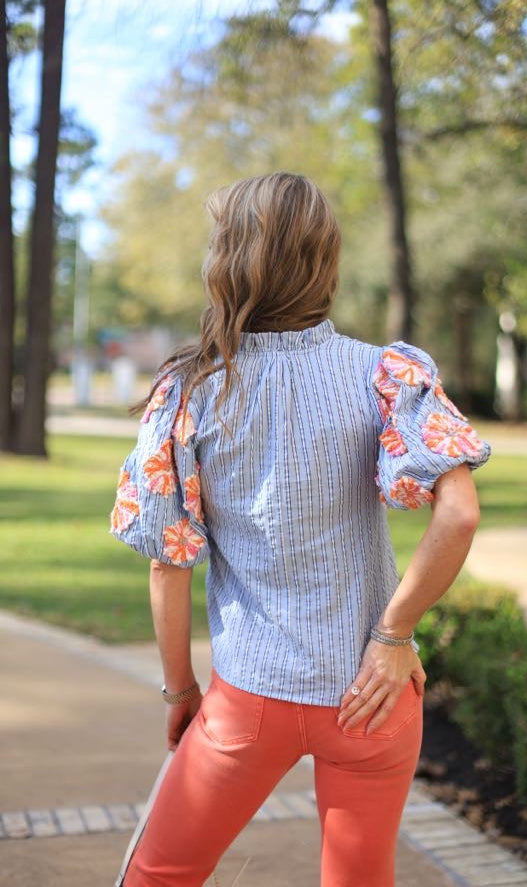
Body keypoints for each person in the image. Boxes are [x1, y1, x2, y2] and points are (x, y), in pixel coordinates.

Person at [110, 171, 491, 887]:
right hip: (373, 693)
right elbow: (460, 511)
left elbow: (168, 561)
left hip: (250, 697)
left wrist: (179, 691)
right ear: (326, 260)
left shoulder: (188, 393)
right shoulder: (386, 373)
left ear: (230, 262)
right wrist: (394, 633)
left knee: (160, 872)